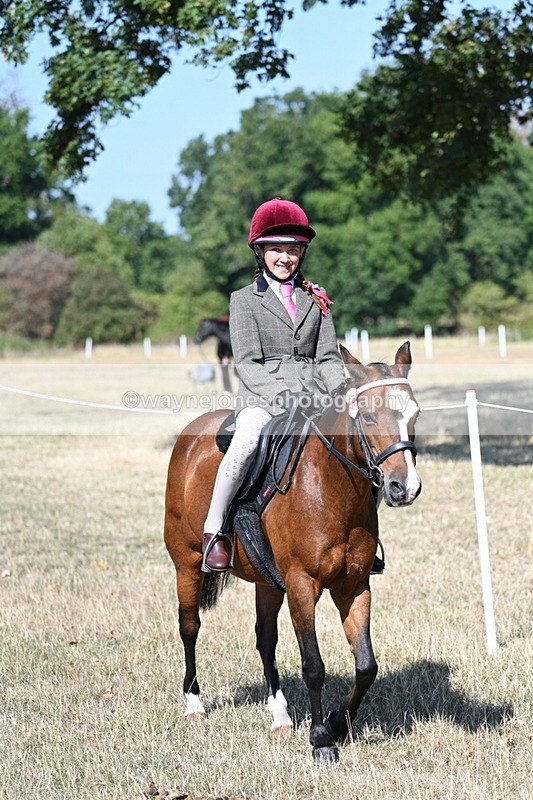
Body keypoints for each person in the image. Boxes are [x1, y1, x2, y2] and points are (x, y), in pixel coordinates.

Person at [202, 197, 346, 572]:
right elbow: (247, 363)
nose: (286, 257)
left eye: (294, 250)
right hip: (264, 398)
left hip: (315, 396)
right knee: (246, 442)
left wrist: (341, 390)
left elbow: (328, 357)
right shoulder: (243, 300)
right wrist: (281, 395)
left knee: (355, 443)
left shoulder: (315, 298)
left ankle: (357, 535)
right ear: (260, 251)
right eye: (277, 249)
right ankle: (214, 529)